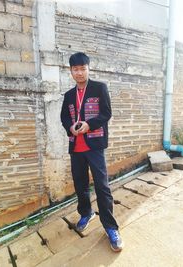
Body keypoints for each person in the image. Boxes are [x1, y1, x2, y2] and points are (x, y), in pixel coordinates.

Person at [60, 52, 123, 252]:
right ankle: (86, 213)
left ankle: (110, 227)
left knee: (102, 187)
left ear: (89, 68)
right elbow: (64, 117)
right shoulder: (69, 95)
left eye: (82, 68)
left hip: (94, 146)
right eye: (75, 69)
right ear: (71, 71)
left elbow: (106, 113)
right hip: (76, 147)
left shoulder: (99, 88)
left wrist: (89, 124)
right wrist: (70, 127)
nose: (79, 73)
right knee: (80, 184)